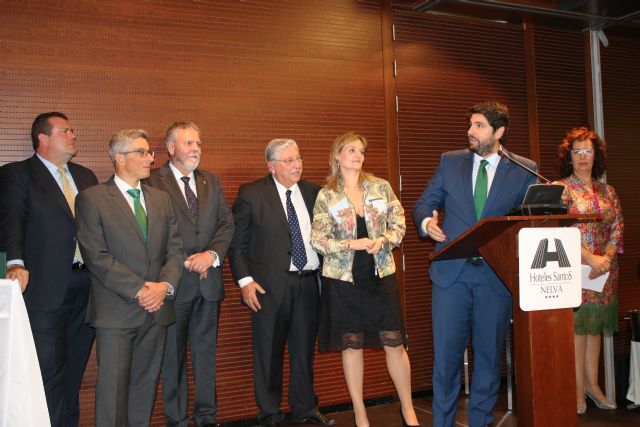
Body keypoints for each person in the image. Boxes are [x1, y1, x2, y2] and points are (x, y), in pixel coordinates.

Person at [413, 102, 537, 427]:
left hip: (495, 279)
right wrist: (427, 222)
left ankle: (481, 421)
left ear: (498, 132)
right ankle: (443, 422)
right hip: (450, 277)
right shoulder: (450, 162)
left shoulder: (525, 169)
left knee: (488, 359)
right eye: (470, 124)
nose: (471, 131)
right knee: (446, 359)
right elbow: (425, 201)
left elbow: (530, 220)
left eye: (479, 126)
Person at [75, 129, 184, 427]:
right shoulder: (92, 199)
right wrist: (140, 290)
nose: (150, 158)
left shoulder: (162, 199)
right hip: (116, 311)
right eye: (142, 152)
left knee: (144, 388)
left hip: (157, 308)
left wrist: (164, 287)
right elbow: (96, 255)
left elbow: (175, 251)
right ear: (119, 158)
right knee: (113, 393)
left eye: (149, 152)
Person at [311, 132, 420, 427]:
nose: (358, 155)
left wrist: (382, 239)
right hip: (344, 280)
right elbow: (318, 240)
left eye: (361, 151)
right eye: (351, 150)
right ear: (337, 155)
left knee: (394, 342)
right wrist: (350, 244)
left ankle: (408, 409)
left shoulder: (380, 187)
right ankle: (360, 412)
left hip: (379, 274)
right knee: (352, 344)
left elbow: (399, 224)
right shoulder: (326, 195)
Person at [228, 138, 335, 427]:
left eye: (298, 158)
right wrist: (245, 282)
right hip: (269, 287)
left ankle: (304, 408)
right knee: (269, 353)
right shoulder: (251, 193)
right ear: (272, 166)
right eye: (288, 160)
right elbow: (236, 244)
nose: (297, 164)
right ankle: (269, 415)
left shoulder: (314, 192)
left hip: (308, 283)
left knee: (303, 351)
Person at [0, 112, 98, 427]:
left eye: (73, 129)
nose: (73, 135)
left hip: (88, 283)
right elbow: (10, 221)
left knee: (74, 368)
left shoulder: (85, 176)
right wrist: (15, 262)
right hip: (44, 286)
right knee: (48, 370)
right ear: (42, 138)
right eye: (65, 130)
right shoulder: (18, 174)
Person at [147, 121, 234, 427]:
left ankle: (207, 418)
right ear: (170, 148)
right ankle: (177, 420)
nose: (196, 149)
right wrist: (183, 260)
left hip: (208, 283)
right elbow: (153, 231)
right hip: (174, 283)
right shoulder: (152, 182)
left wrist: (211, 255)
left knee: (205, 356)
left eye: (198, 143)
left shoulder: (212, 180)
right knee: (173, 358)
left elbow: (226, 224)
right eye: (188, 144)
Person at [555, 127, 623, 414]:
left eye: (588, 151)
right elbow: (561, 228)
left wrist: (605, 257)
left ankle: (592, 385)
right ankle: (575, 389)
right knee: (578, 330)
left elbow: (617, 226)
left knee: (595, 329)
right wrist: (589, 258)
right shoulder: (560, 188)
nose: (583, 157)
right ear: (569, 156)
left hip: (605, 271)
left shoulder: (608, 191)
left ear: (597, 156)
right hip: (575, 268)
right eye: (577, 151)